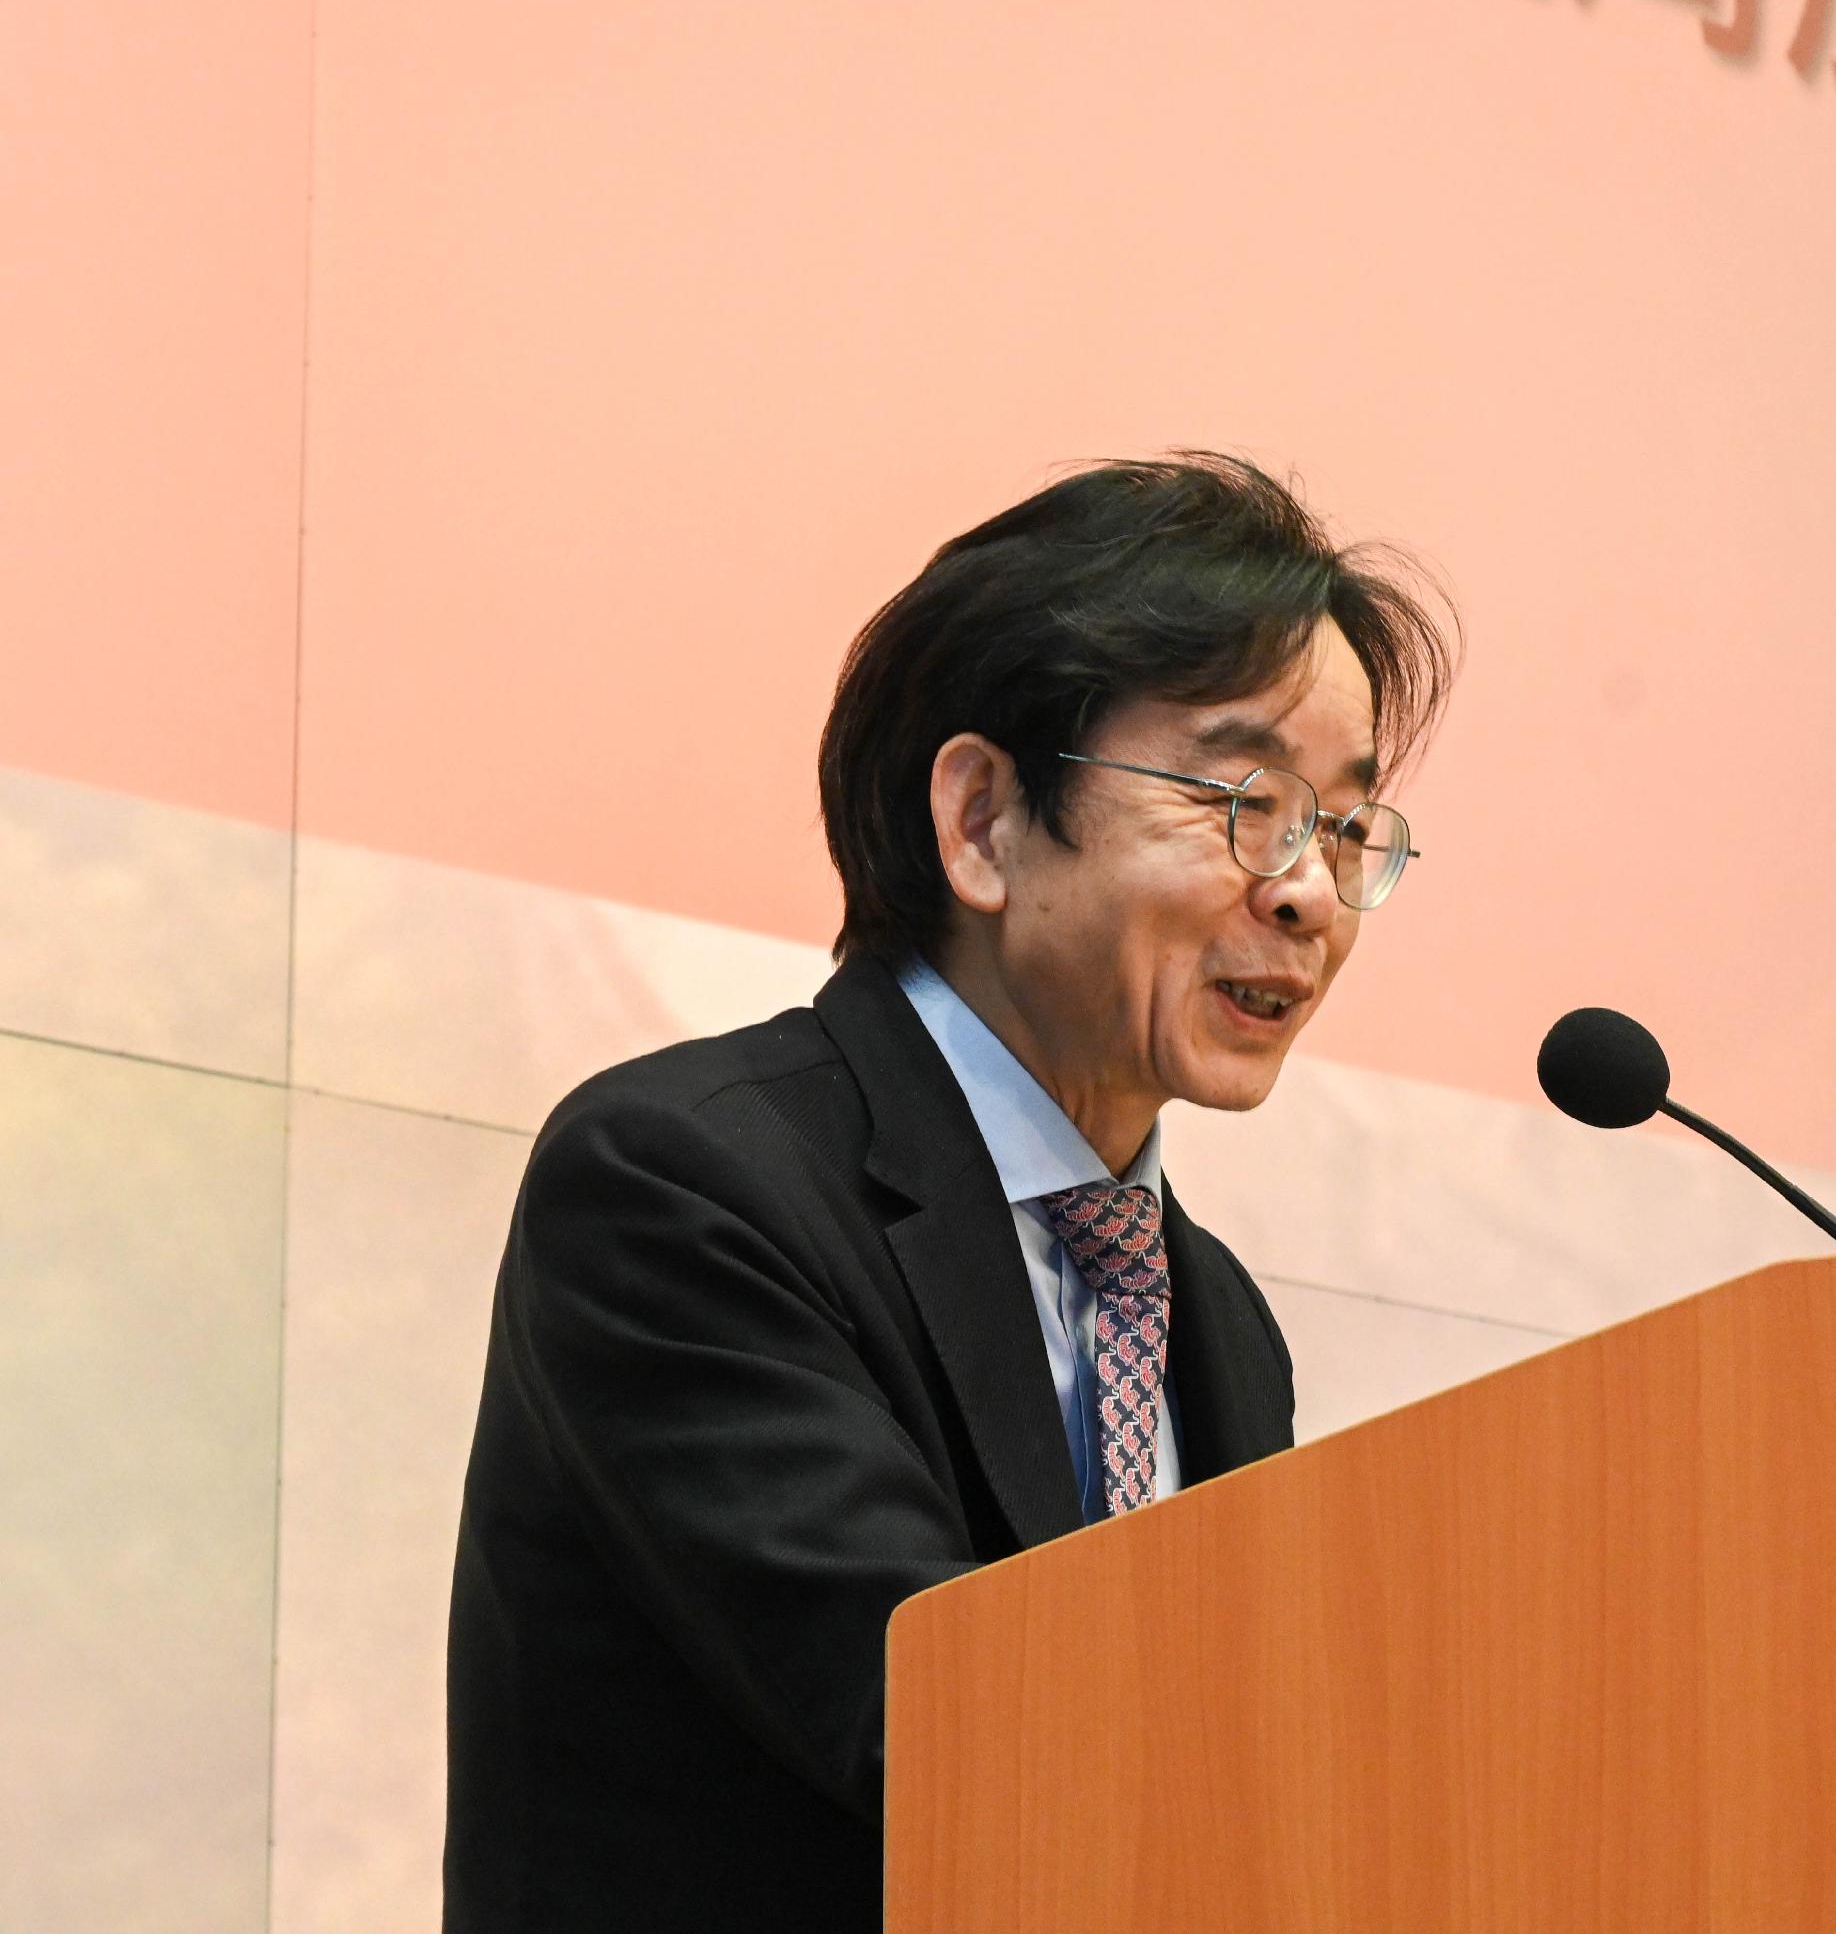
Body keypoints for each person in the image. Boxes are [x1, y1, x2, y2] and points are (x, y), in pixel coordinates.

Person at [441, 454, 1453, 1932]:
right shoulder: (688, 1185)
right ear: (982, 820)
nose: (1307, 892)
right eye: (1244, 801)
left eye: (1348, 829)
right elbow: (948, 1733)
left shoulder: (1213, 1318)